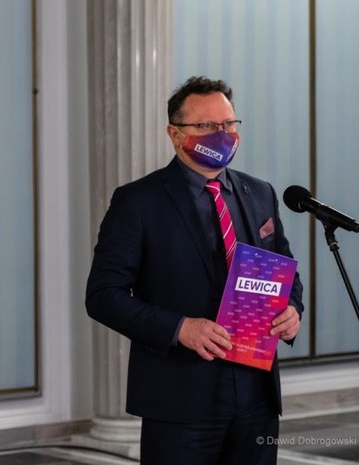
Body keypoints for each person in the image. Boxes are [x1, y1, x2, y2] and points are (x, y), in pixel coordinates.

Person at [85, 76, 304, 464]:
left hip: (257, 395)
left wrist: (292, 310)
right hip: (179, 399)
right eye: (206, 125)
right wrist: (179, 328)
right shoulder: (138, 202)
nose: (222, 134)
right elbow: (103, 296)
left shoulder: (260, 193)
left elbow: (287, 273)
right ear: (175, 133)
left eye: (229, 123)